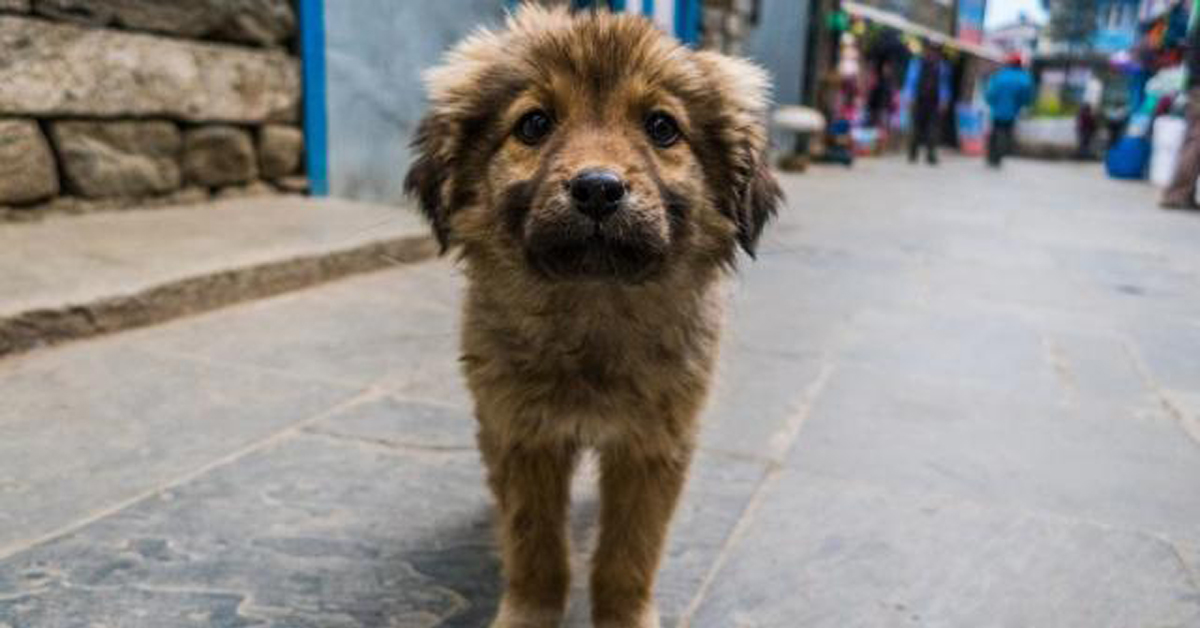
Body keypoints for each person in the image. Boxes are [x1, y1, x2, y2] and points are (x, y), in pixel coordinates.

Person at [1161, 14, 1200, 209]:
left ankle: (1182, 193)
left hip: (1195, 86)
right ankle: (1177, 194)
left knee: (1193, 140)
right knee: (1196, 142)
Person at [903, 44, 952, 165]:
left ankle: (931, 155)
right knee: (916, 128)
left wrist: (944, 100)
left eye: (935, 50)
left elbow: (945, 85)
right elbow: (910, 81)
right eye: (930, 49)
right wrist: (909, 97)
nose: (932, 53)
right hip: (919, 100)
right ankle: (912, 154)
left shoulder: (942, 66)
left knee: (933, 129)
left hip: (934, 102)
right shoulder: (916, 64)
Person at [984, 54, 1034, 167]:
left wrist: (991, 102)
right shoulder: (1025, 78)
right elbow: (1027, 97)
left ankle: (992, 156)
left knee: (995, 132)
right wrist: (1022, 105)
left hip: (997, 111)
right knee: (1007, 132)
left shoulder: (1000, 75)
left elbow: (990, 93)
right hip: (1012, 112)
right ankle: (1000, 154)